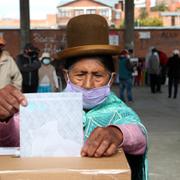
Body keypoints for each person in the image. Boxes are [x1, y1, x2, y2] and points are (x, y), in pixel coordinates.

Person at [0, 15, 148, 180]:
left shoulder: (119, 112)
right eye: (80, 74)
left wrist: (117, 133)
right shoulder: (48, 107)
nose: (88, 83)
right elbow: (15, 136)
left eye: (98, 75)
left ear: (111, 78)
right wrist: (4, 118)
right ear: (66, 75)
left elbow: (139, 138)